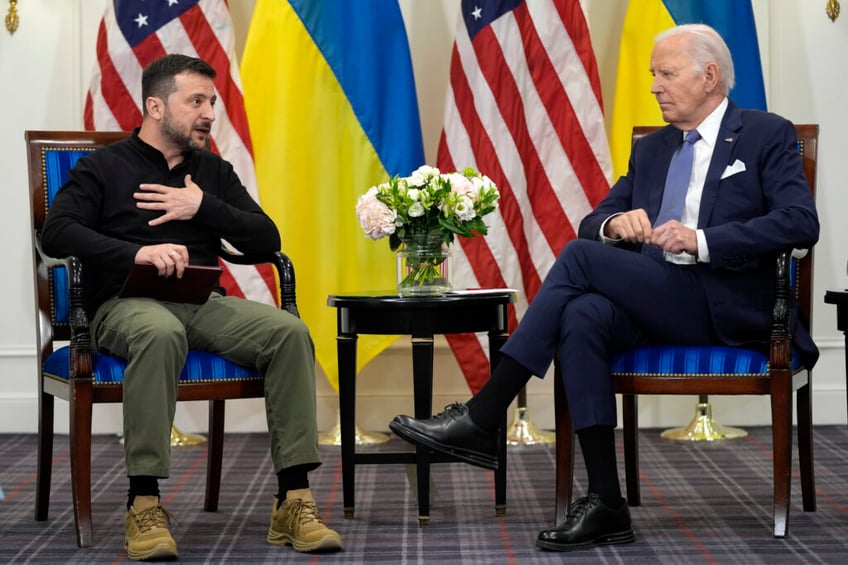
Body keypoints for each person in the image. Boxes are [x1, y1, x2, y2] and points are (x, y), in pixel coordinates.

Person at [390, 23, 819, 552]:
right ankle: (606, 502)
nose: (655, 86)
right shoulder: (655, 148)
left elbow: (801, 223)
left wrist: (702, 239)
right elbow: (595, 219)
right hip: (656, 297)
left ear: (709, 77)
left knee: (578, 263)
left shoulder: (765, 134)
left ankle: (485, 413)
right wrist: (615, 226)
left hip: (723, 302)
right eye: (652, 75)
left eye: (666, 74)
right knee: (582, 315)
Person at [41, 54, 342, 559]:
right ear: (156, 106)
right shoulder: (103, 167)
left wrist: (202, 206)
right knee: (160, 332)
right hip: (125, 303)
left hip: (204, 302)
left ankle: (293, 499)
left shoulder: (213, 172)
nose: (209, 113)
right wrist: (137, 252)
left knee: (289, 332)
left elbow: (267, 235)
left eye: (213, 102)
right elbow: (58, 230)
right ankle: (144, 504)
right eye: (196, 101)